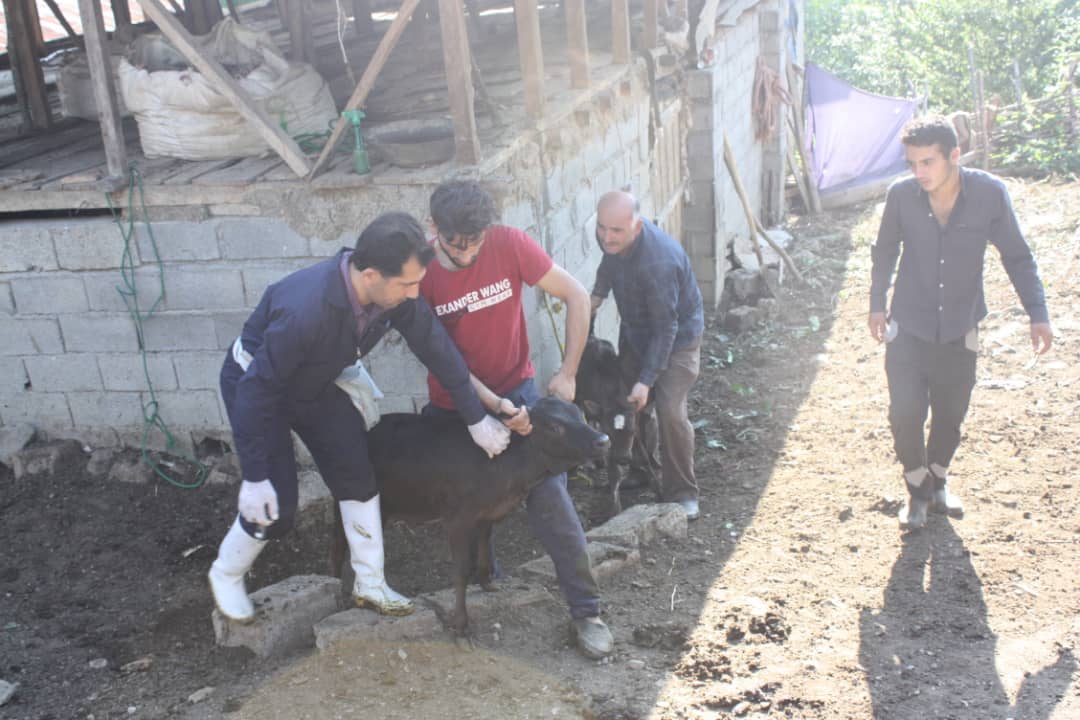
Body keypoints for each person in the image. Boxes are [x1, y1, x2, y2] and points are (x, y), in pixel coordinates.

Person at [208, 212, 511, 623]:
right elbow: (256, 390)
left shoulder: (392, 294)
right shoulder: (306, 311)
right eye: (407, 284)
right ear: (370, 275)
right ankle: (226, 573)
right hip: (263, 389)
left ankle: (369, 583)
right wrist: (255, 475)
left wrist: (476, 419)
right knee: (275, 507)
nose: (415, 292)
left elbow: (435, 346)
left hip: (316, 381)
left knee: (356, 469)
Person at [418, 179, 614, 660]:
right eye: (455, 246)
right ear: (434, 229)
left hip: (519, 392)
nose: (466, 256)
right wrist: (488, 410)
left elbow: (576, 295)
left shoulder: (509, 243)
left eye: (475, 244)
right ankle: (486, 578)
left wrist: (568, 373)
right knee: (465, 504)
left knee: (551, 501)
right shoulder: (418, 271)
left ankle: (586, 610)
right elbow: (445, 361)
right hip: (455, 407)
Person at [868, 115, 1053, 530]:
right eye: (912, 163)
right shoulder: (902, 196)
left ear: (954, 155)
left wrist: (1037, 314)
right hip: (909, 325)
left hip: (960, 324)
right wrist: (876, 304)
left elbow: (1017, 256)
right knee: (905, 412)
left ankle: (937, 480)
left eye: (928, 162)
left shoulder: (989, 195)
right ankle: (916, 487)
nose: (919, 173)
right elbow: (884, 252)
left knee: (951, 414)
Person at [590, 190, 705, 520]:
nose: (606, 237)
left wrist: (646, 380)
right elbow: (608, 261)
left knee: (669, 410)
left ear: (636, 227)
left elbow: (666, 329)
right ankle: (642, 469)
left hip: (678, 339)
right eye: (602, 228)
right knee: (631, 405)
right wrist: (596, 297)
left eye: (616, 231)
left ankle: (683, 493)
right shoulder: (612, 239)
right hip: (637, 332)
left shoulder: (659, 262)